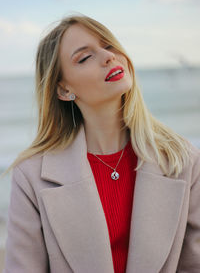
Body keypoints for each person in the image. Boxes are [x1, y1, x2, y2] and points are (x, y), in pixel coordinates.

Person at [3, 14, 200, 273]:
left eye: (108, 46)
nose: (109, 57)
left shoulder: (182, 158)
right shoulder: (31, 175)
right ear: (63, 90)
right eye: (85, 57)